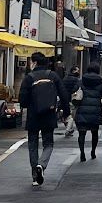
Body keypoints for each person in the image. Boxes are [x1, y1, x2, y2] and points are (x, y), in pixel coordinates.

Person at [19, 53, 66, 186]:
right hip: (49, 114)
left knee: (32, 145)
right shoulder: (53, 76)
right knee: (48, 144)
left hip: (33, 115)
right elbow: (63, 94)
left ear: (34, 62)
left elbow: (22, 100)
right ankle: (42, 165)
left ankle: (35, 176)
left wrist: (31, 103)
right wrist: (65, 111)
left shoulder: (29, 78)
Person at [73, 61, 102, 161]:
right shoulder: (100, 81)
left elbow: (75, 91)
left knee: (82, 133)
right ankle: (93, 151)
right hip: (95, 110)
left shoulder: (81, 80)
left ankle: (82, 153)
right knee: (94, 133)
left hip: (82, 109)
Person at [60, 62, 82, 137]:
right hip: (72, 98)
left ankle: (69, 128)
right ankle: (68, 129)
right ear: (74, 71)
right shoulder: (76, 79)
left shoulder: (65, 78)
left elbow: (61, 87)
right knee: (71, 115)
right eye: (77, 71)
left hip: (63, 98)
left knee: (66, 114)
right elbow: (76, 88)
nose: (78, 72)